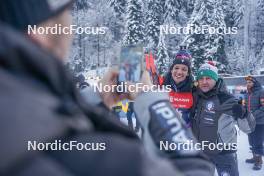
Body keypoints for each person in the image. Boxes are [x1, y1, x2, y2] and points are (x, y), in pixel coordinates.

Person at [0, 0, 214, 175]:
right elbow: (195, 170)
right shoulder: (101, 160)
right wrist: (153, 101)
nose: (71, 29)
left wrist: (93, 100)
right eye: (68, 15)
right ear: (40, 32)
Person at [190, 62, 255, 176]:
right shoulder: (195, 97)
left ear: (215, 79)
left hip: (224, 153)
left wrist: (244, 114)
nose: (204, 82)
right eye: (201, 78)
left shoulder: (226, 99)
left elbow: (249, 128)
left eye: (208, 78)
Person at [163, 46, 193, 126]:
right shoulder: (161, 86)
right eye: (176, 68)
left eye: (184, 69)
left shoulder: (194, 90)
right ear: (171, 70)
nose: (179, 72)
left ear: (188, 73)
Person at [244, 76, 264, 170]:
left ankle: (259, 161)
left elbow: (263, 108)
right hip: (249, 122)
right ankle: (254, 157)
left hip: (259, 122)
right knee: (251, 141)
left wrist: (252, 115)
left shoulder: (261, 92)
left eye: (250, 82)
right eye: (247, 82)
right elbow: (245, 106)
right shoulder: (247, 93)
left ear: (254, 83)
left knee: (258, 142)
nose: (248, 84)